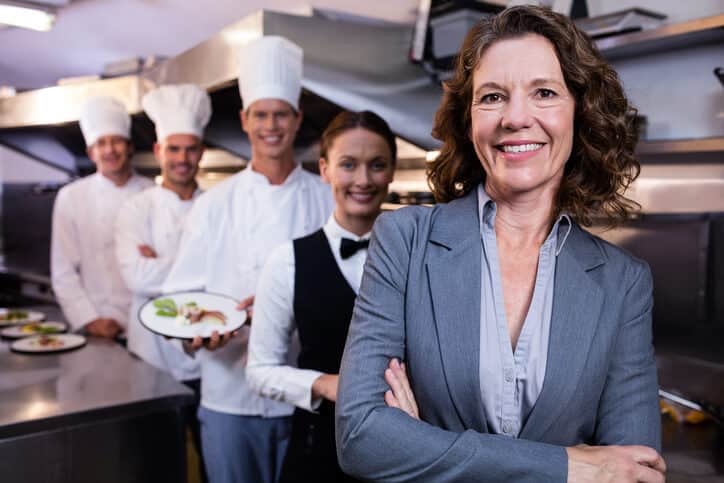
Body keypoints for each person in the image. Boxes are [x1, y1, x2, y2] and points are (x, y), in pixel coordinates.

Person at [335, 6, 666, 483]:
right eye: (492, 97)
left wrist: (422, 447)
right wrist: (570, 465)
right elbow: (361, 437)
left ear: (581, 110)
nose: (515, 118)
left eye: (545, 93)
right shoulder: (405, 241)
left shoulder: (623, 282)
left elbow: (637, 473)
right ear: (469, 120)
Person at [162, 36, 334, 483]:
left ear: (297, 120)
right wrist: (195, 333)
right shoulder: (214, 205)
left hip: (306, 395)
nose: (271, 125)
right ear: (244, 119)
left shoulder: (325, 200)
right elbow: (180, 297)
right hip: (229, 395)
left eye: (281, 114)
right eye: (261, 114)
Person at [247, 110, 396, 483]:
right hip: (318, 449)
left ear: (391, 172)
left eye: (377, 165)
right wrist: (323, 384)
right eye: (349, 165)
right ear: (325, 169)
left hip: (402, 449)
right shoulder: (287, 261)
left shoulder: (417, 255)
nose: (363, 180)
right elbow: (260, 371)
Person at [114, 84, 211, 481]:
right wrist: (197, 268)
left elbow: (225, 275)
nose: (182, 158)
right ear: (158, 152)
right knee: (154, 463)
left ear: (201, 152)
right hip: (150, 357)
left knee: (208, 460)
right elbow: (136, 275)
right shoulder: (135, 209)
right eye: (174, 149)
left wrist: (162, 267)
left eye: (190, 149)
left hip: (208, 358)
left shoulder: (216, 205)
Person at [51, 96, 154, 338]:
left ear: (129, 146)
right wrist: (89, 319)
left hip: (149, 323)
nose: (109, 150)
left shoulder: (153, 194)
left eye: (117, 141)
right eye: (101, 143)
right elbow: (63, 269)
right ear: (90, 152)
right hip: (97, 322)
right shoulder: (71, 197)